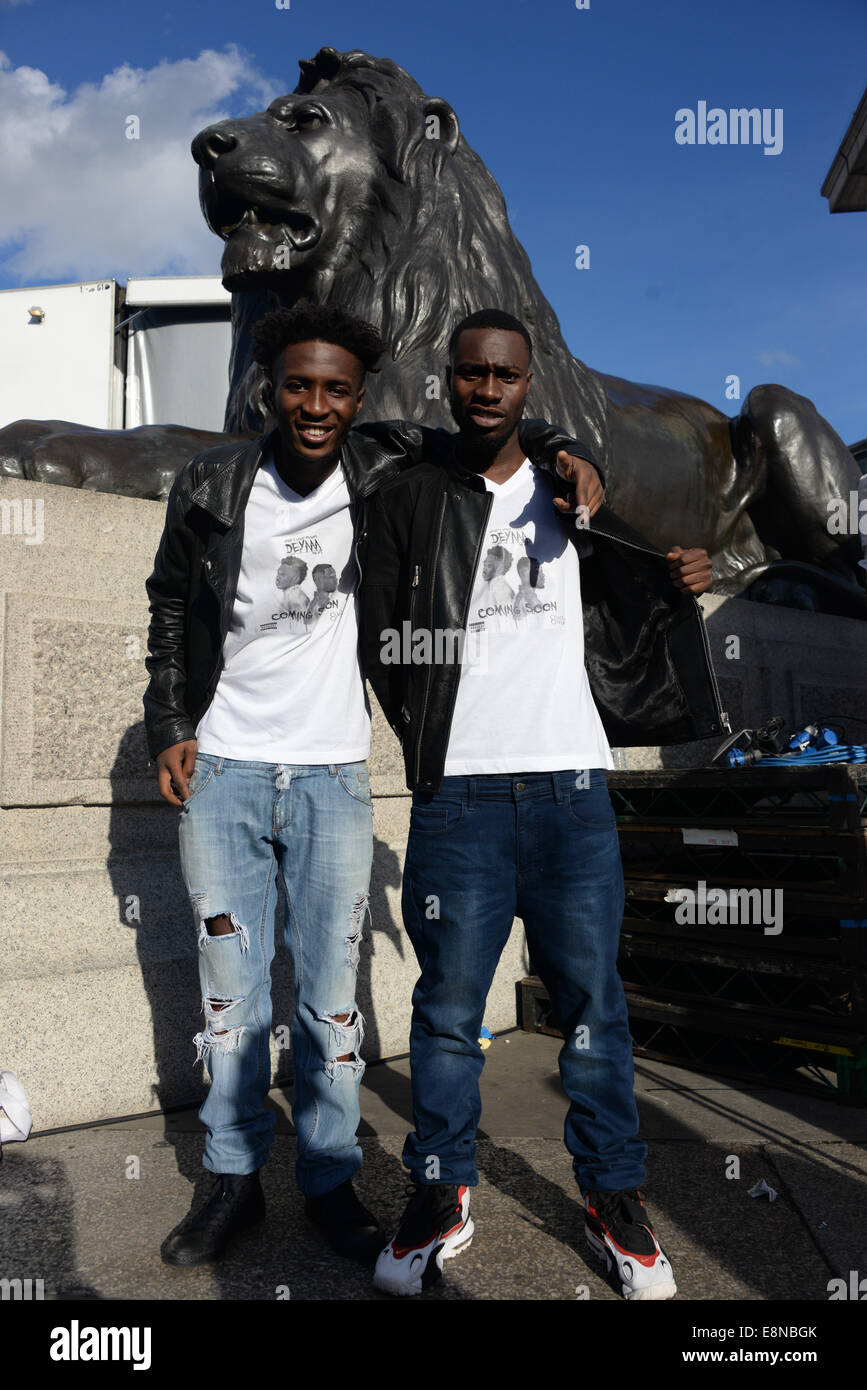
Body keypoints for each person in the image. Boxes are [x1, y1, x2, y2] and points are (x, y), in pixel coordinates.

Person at [143, 300, 601, 1269]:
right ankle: (232, 1181)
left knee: (330, 1004)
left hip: (334, 777)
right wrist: (170, 723)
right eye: (299, 385)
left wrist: (563, 449)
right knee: (230, 997)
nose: (316, 405)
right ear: (271, 387)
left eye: (337, 389)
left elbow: (492, 424)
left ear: (359, 399)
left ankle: (327, 1178)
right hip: (223, 768)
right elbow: (169, 602)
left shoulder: (381, 468)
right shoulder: (213, 480)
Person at [359, 308, 721, 1300]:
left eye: (505, 375)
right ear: (449, 380)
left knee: (596, 1011)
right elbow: (382, 640)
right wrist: (434, 744)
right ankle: (441, 1192)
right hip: (460, 800)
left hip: (571, 792)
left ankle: (612, 1196)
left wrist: (683, 578)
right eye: (470, 373)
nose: (486, 388)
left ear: (529, 386)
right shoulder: (408, 496)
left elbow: (642, 591)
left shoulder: (578, 495)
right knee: (445, 1018)